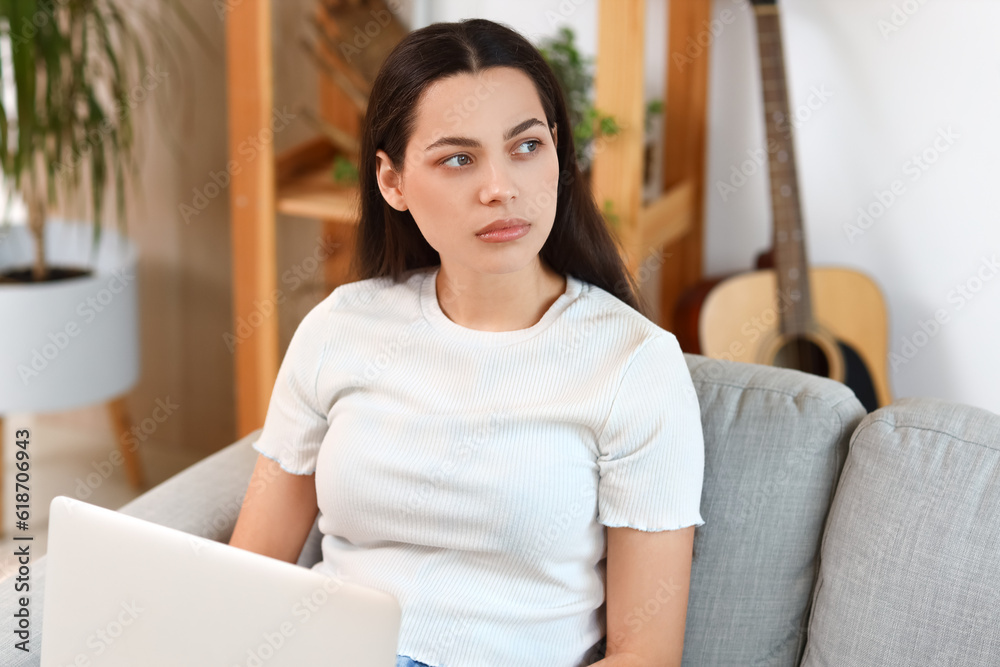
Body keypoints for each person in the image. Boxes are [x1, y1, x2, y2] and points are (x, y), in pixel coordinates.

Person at [228, 17, 705, 667]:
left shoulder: (634, 364)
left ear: (561, 156)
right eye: (458, 158)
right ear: (391, 181)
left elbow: (646, 655)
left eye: (526, 146)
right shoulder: (339, 328)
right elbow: (244, 577)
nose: (500, 188)